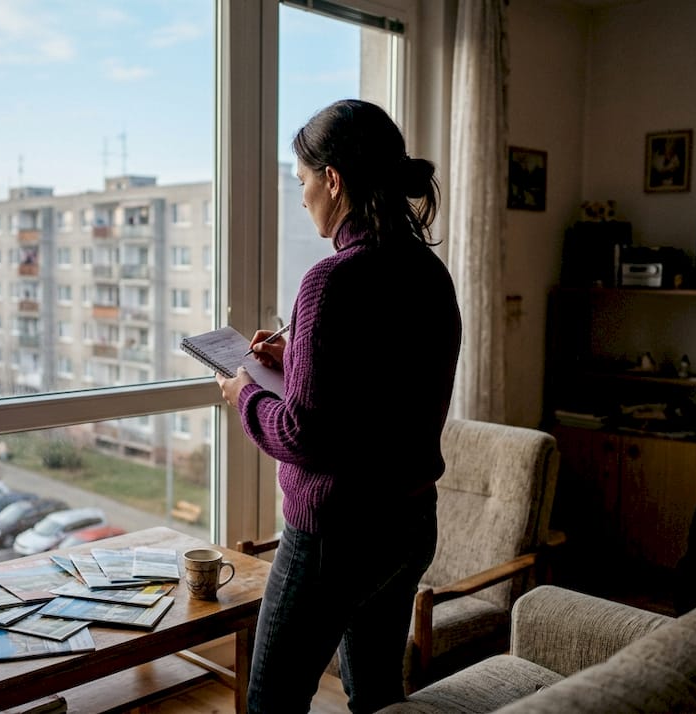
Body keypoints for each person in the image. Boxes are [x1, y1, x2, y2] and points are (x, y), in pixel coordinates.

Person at [216, 99, 462, 712]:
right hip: (408, 523)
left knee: (273, 702)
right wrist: (296, 355)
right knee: (378, 693)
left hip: (336, 537)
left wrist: (243, 392)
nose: (302, 199)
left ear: (333, 179)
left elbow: (304, 433)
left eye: (303, 182)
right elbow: (384, 385)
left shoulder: (332, 281)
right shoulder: (430, 274)